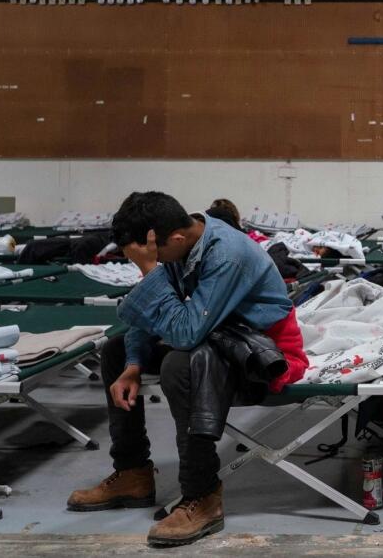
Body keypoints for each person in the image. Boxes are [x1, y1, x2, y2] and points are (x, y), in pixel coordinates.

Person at [66, 192, 308, 549]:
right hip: (218, 336)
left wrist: (150, 272)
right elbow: (164, 314)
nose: (152, 263)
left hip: (260, 352)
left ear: (175, 239)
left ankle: (203, 495)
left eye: (153, 257)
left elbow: (186, 332)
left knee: (181, 364)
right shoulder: (183, 245)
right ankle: (133, 473)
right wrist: (133, 366)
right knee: (117, 350)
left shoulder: (227, 254)